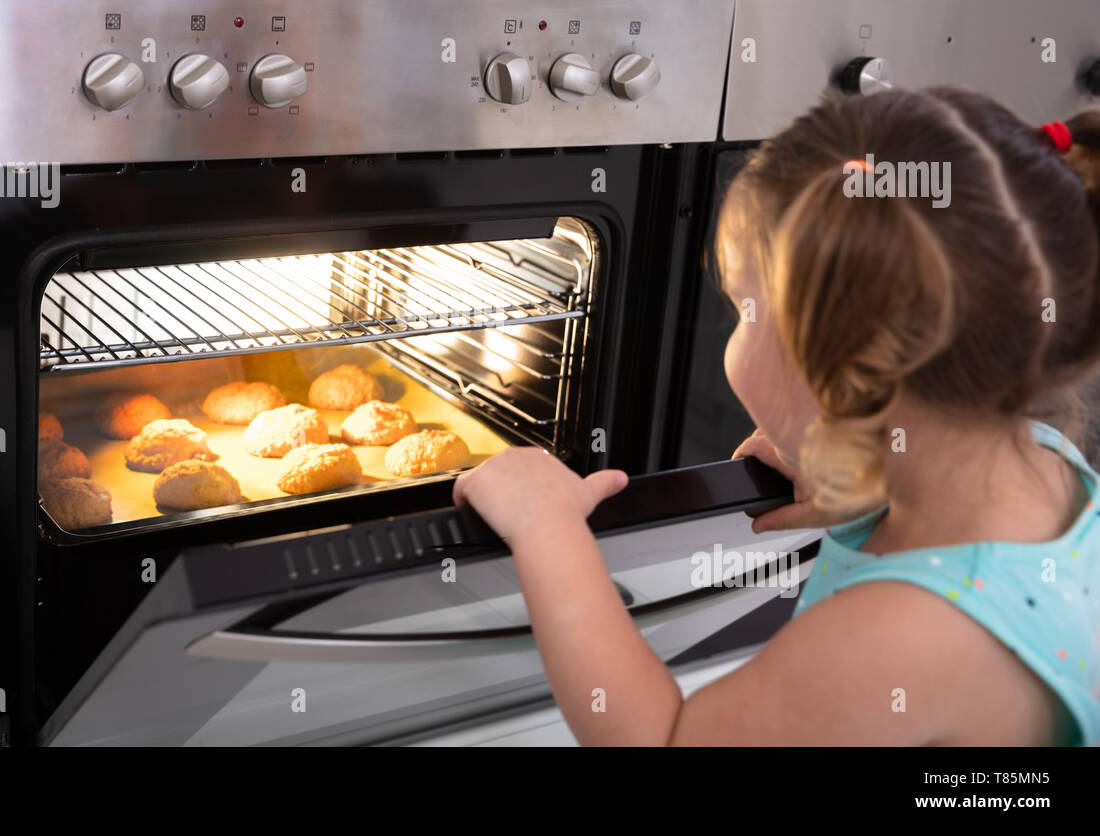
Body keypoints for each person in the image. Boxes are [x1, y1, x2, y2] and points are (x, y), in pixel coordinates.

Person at [453, 87, 1100, 746]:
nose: (733, 328)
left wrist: (548, 530)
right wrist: (866, 480)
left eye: (744, 309)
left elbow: (661, 738)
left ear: (847, 369)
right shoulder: (1046, 464)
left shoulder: (900, 638)